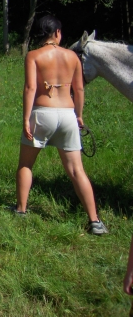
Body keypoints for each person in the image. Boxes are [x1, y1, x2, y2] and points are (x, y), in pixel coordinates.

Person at [15, 15, 107, 235]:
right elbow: (79, 89)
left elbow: (30, 88)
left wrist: (26, 118)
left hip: (42, 113)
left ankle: (21, 210)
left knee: (26, 164)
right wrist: (79, 116)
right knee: (76, 170)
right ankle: (95, 221)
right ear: (57, 32)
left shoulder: (33, 55)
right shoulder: (72, 56)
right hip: (67, 114)